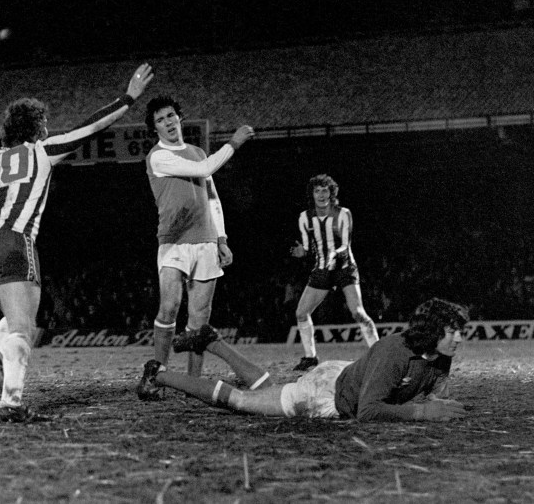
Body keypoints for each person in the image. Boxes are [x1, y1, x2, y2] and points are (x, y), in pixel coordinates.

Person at [0, 63, 154, 422]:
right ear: (38, 127)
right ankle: (11, 404)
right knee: (25, 329)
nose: (48, 127)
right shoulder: (42, 151)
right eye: (44, 122)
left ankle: (0, 353)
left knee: (17, 322)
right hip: (15, 244)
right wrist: (128, 98)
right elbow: (90, 127)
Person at [139, 297, 469, 422]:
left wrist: (434, 402)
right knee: (240, 400)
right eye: (452, 331)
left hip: (343, 378)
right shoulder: (394, 352)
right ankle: (159, 374)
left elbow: (429, 391)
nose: (459, 338)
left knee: (270, 389)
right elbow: (368, 411)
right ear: (433, 330)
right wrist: (423, 412)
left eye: (459, 332)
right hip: (323, 394)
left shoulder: (440, 353)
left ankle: (214, 342)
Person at [136, 95, 266, 401]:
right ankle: (158, 375)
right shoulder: (157, 156)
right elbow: (207, 166)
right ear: (154, 128)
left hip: (206, 239)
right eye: (160, 120)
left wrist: (221, 238)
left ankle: (193, 385)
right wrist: (234, 143)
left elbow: (212, 196)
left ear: (180, 118)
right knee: (168, 307)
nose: (167, 122)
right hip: (173, 241)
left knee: (199, 320)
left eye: (171, 116)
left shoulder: (195, 150)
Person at [289, 174, 378, 371]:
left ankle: (377, 354)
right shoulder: (305, 217)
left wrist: (334, 256)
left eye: (325, 190)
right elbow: (307, 247)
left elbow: (345, 245)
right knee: (301, 313)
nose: (321, 194)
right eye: (317, 190)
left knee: (358, 313)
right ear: (312, 194)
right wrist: (300, 252)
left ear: (331, 193)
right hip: (322, 270)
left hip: (345, 267)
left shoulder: (343, 213)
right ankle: (310, 357)